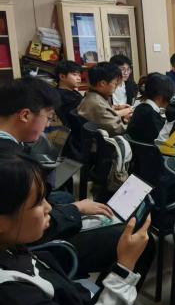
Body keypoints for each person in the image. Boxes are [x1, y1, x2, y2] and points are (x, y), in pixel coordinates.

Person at [0, 153, 171, 305]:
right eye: (38, 203)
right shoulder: (13, 294)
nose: (48, 208)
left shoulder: (12, 247)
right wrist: (125, 265)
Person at [0, 77, 153, 279]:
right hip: (30, 247)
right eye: (48, 117)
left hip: (24, 236)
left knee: (67, 199)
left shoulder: (13, 149)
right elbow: (27, 224)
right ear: (25, 115)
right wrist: (75, 210)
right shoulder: (10, 163)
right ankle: (108, 292)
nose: (48, 125)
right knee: (137, 239)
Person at [77, 62, 132, 136]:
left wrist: (122, 119)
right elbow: (118, 130)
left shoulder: (91, 96)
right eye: (115, 83)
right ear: (102, 83)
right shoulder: (98, 104)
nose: (116, 87)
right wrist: (131, 123)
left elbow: (106, 122)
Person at [127, 73, 175, 144]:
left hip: (135, 149)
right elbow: (161, 138)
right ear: (160, 96)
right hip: (149, 149)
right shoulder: (151, 114)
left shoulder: (140, 108)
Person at [54, 60, 83, 125]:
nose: (79, 78)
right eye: (75, 74)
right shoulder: (66, 97)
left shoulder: (71, 91)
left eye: (79, 75)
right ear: (62, 76)